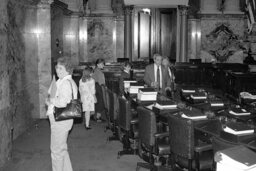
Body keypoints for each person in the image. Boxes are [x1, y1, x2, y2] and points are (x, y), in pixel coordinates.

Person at [46, 57, 77, 171]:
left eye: (61, 68)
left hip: (60, 120)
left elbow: (63, 102)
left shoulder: (65, 83)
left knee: (56, 152)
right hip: (64, 120)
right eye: (57, 67)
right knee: (62, 149)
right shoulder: (65, 81)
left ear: (67, 69)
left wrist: (51, 100)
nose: (58, 70)